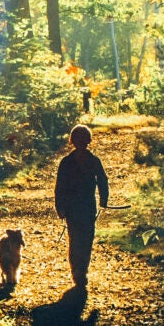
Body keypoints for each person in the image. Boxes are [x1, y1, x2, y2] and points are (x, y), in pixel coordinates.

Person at [53, 123, 110, 293]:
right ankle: (78, 272)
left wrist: (104, 200)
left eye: (83, 139)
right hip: (76, 208)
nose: (81, 142)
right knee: (79, 240)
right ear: (74, 141)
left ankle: (81, 271)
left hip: (85, 207)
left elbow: (102, 180)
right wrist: (60, 207)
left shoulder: (91, 161)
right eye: (79, 139)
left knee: (82, 240)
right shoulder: (68, 162)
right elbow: (60, 186)